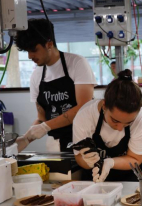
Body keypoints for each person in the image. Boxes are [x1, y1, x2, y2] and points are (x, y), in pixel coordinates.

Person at [15, 19, 96, 152]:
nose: (30, 56)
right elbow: (42, 118)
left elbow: (84, 108)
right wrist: (27, 138)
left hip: (84, 139)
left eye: (34, 50)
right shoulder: (36, 76)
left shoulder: (76, 63)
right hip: (54, 143)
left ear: (49, 44)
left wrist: (46, 127)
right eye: (27, 51)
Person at [73, 71, 142, 182]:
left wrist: (110, 162)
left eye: (128, 123)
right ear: (104, 105)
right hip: (95, 176)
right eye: (115, 120)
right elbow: (79, 157)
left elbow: (135, 158)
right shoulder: (85, 116)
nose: (120, 128)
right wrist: (88, 162)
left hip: (131, 175)